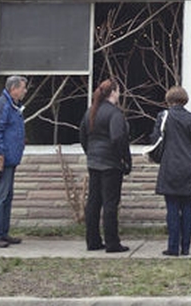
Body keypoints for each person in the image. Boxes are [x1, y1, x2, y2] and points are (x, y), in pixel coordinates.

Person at [78, 78, 131, 253]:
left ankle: (92, 240)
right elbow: (118, 138)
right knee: (110, 203)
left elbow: (83, 136)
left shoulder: (90, 111)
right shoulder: (115, 114)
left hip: (94, 162)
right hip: (110, 164)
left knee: (94, 202)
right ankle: (112, 242)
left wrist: (91, 153)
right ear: (114, 92)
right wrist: (124, 159)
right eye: (118, 90)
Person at [151, 85, 191, 256]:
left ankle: (173, 247)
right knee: (187, 208)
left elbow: (155, 139)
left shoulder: (163, 116)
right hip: (188, 165)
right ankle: (186, 247)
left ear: (169, 99)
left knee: (172, 208)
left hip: (170, 165)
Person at [0, 75, 27, 248]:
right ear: (14, 88)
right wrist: (0, 155)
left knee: (7, 197)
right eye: (23, 87)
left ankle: (2, 232)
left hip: (11, 158)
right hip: (3, 159)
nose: (25, 91)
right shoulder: (2, 105)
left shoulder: (13, 106)